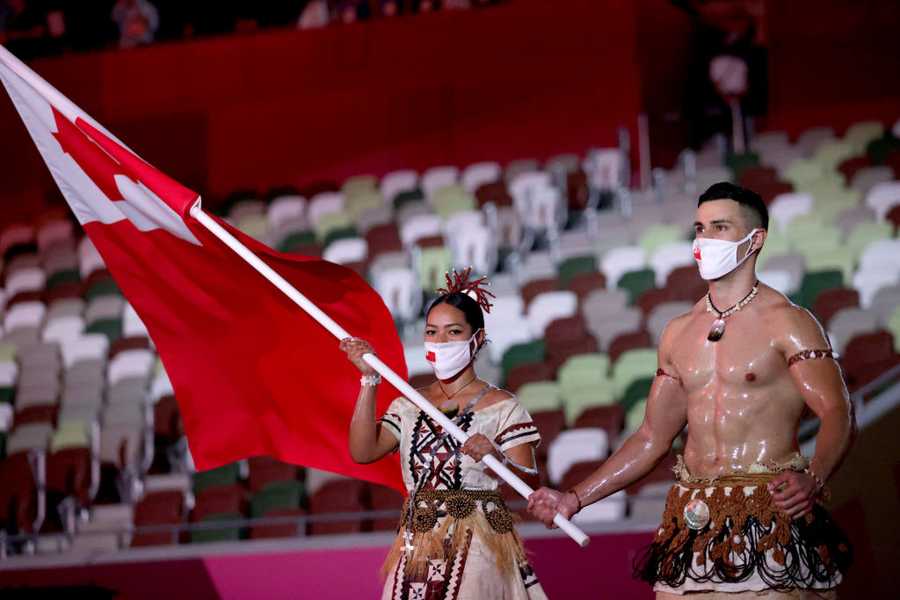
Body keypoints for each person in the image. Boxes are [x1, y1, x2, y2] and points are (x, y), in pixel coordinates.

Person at [528, 182, 853, 599]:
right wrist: (574, 498)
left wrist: (814, 476)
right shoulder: (678, 332)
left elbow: (838, 412)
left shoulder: (789, 321)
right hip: (692, 521)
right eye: (699, 228)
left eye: (719, 227)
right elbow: (650, 437)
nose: (704, 239)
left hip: (770, 516)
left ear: (756, 239)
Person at [342, 268, 547, 599]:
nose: (440, 341)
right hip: (416, 541)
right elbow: (363, 452)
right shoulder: (408, 404)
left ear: (476, 338)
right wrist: (368, 380)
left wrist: (497, 457)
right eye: (432, 332)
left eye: (453, 332)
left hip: (481, 541)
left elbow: (533, 485)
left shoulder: (503, 406)